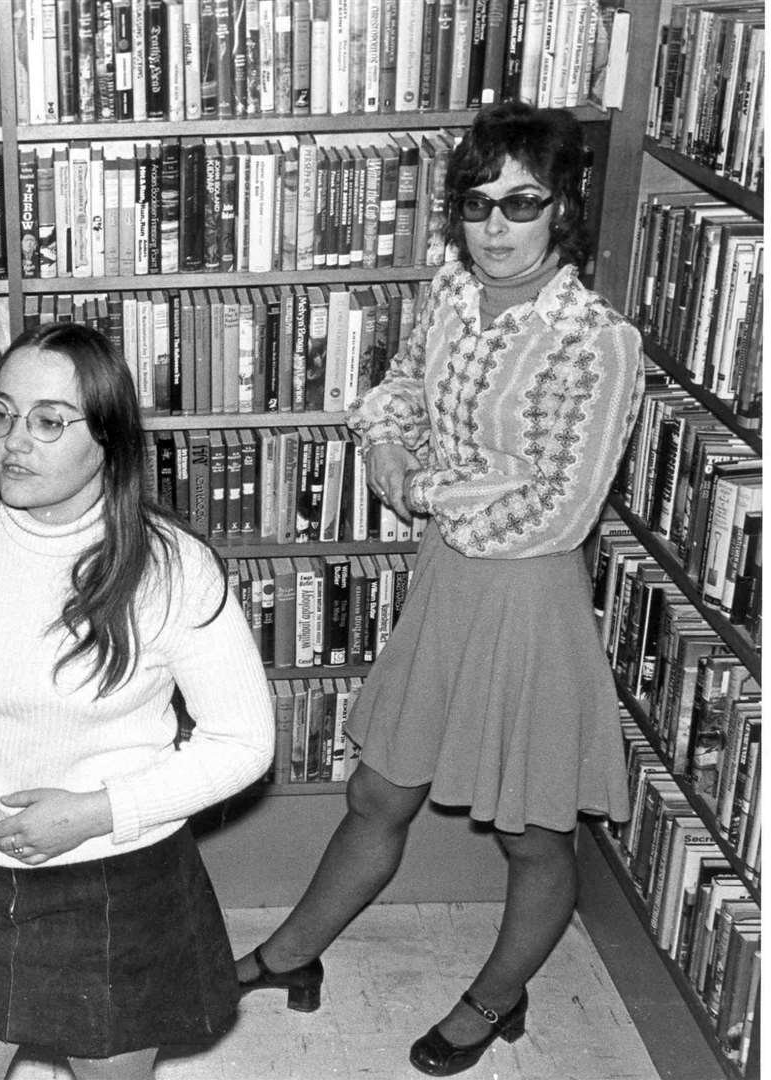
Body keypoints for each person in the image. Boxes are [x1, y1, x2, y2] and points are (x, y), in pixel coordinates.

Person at [234, 101, 646, 1077]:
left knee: (532, 832)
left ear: (562, 212)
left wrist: (428, 489)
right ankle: (290, 953)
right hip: (448, 586)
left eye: (520, 204)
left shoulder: (597, 341)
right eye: (475, 203)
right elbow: (397, 396)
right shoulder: (452, 291)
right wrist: (396, 454)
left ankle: (495, 999)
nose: (494, 227)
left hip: (525, 606)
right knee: (378, 791)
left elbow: (560, 509)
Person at [0, 322, 276, 1080]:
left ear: (108, 440)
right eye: (1, 413)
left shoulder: (173, 567)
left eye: (50, 421)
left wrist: (96, 811)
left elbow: (244, 742)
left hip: (116, 884)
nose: (14, 442)